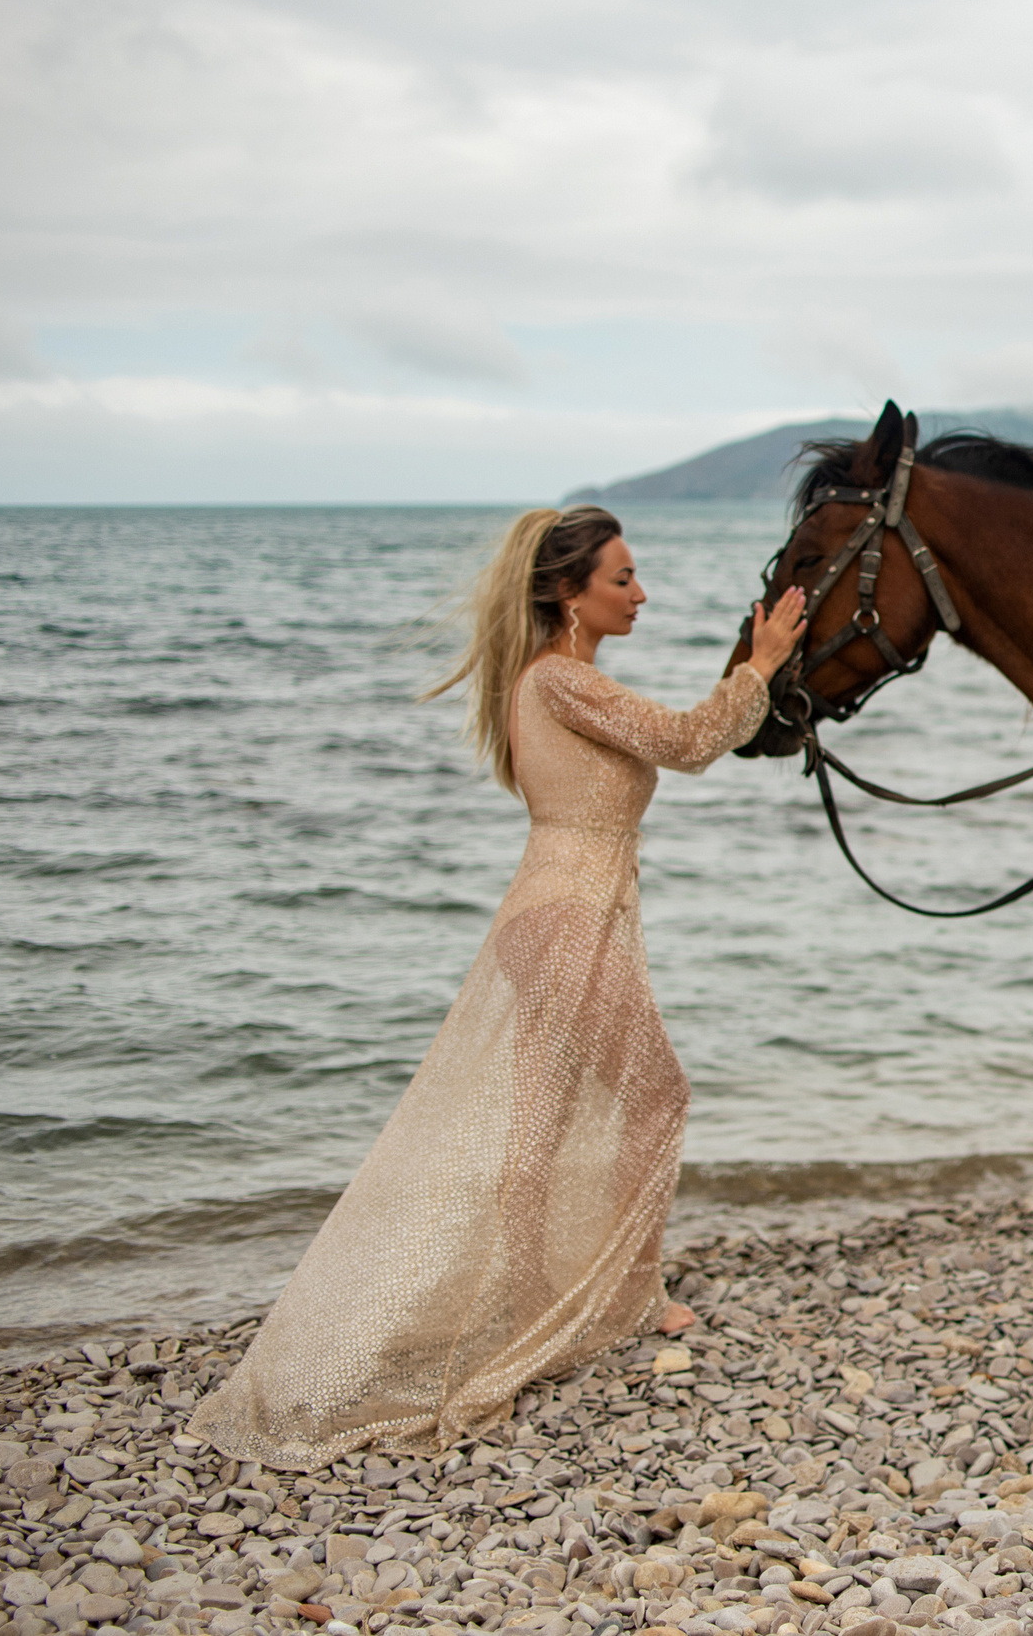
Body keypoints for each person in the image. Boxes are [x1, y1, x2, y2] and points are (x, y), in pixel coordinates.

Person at [189, 505, 805, 1469]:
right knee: (654, 1097)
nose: (641, 594)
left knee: (545, 1119)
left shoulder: (555, 681)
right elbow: (687, 742)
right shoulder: (559, 678)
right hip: (564, 921)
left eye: (638, 577)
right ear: (569, 592)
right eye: (623, 578)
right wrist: (760, 661)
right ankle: (617, 1303)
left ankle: (542, 1298)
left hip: (556, 915)